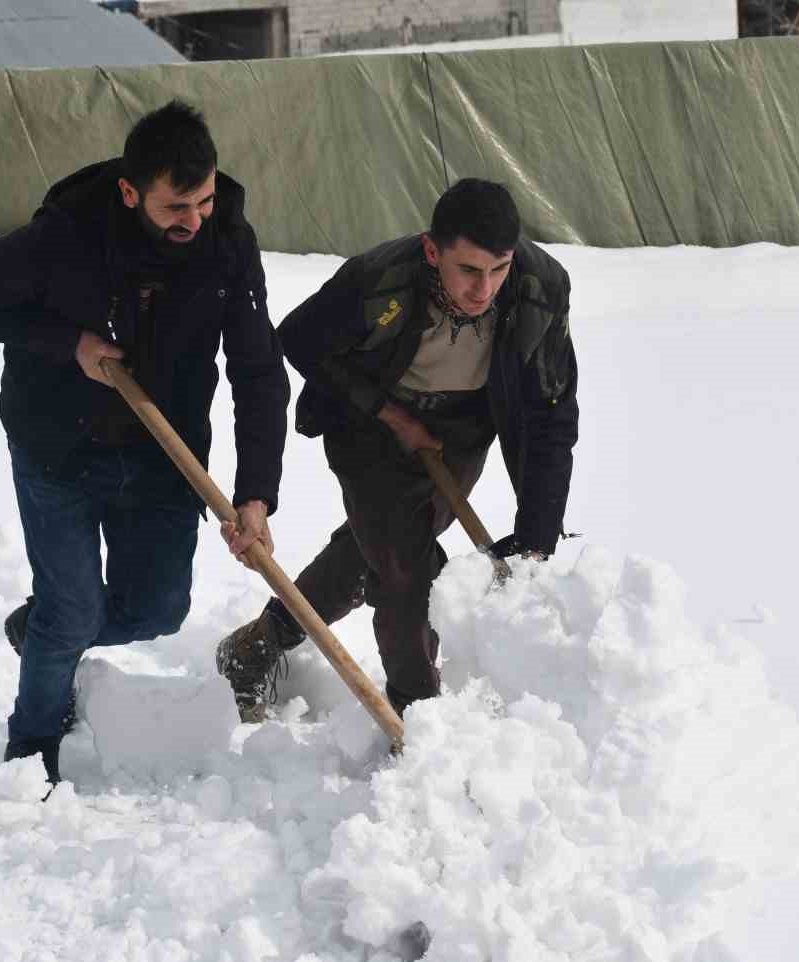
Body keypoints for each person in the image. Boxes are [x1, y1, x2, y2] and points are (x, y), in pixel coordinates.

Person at [0, 101, 288, 784]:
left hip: (163, 451)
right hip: (58, 444)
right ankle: (32, 747)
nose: (194, 221)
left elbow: (257, 370)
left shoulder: (226, 245)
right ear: (130, 193)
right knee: (71, 611)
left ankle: (42, 635)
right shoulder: (65, 235)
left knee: (158, 607)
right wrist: (71, 344)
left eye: (204, 201)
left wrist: (256, 495)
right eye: (175, 207)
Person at [216, 178, 577, 721]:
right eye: (469, 271)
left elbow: (551, 416)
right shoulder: (379, 278)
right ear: (433, 251)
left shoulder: (539, 289)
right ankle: (416, 714)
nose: (485, 289)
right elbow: (299, 339)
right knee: (405, 568)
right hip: (367, 424)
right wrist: (390, 414)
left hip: (461, 430)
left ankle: (258, 644)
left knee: (377, 551)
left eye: (499, 269)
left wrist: (537, 536)